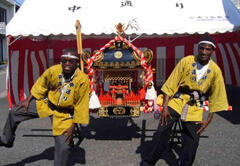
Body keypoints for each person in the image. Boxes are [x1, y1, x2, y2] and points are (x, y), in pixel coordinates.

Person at [140, 36, 229, 166]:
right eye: (201, 48)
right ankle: (148, 162)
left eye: (207, 49)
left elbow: (217, 96)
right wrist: (165, 107)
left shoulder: (215, 71)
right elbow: (172, 83)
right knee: (161, 132)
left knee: (192, 141)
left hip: (195, 106)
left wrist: (208, 120)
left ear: (213, 51)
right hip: (177, 101)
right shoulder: (187, 61)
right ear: (198, 49)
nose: (204, 52)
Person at [0, 48, 90, 166]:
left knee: (63, 147)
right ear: (60, 62)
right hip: (47, 104)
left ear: (77, 63)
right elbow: (41, 84)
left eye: (71, 61)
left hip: (65, 114)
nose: (67, 64)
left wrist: (73, 126)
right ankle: (7, 139)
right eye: (64, 61)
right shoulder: (53, 70)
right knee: (15, 112)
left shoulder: (82, 79)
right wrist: (27, 100)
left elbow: (81, 105)